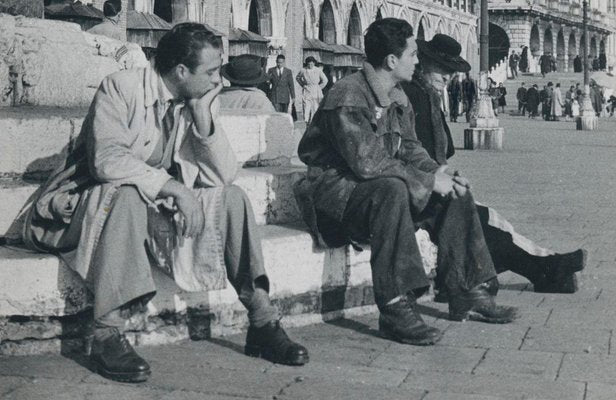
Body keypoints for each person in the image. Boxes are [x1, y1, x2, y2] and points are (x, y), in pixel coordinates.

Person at [22, 23, 309, 384]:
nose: (218, 80)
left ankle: (263, 320)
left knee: (232, 200)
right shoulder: (120, 87)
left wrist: (203, 121)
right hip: (93, 207)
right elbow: (107, 162)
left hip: (152, 207)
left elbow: (223, 177)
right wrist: (174, 188)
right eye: (211, 71)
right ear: (181, 71)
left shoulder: (197, 99)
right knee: (126, 194)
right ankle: (106, 332)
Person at [295, 21, 520, 347]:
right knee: (392, 189)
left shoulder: (396, 96)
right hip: (336, 195)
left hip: (373, 189)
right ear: (391, 61)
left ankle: (466, 290)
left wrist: (440, 173)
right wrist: (429, 182)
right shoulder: (347, 95)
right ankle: (395, 307)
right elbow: (368, 163)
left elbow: (410, 148)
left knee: (456, 190)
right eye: (413, 54)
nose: (417, 61)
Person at [402, 34, 586, 300]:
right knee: (484, 223)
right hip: (419, 191)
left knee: (491, 218)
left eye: (451, 71)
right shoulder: (413, 95)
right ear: (424, 64)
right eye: (443, 70)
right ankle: (546, 268)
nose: (448, 77)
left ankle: (547, 266)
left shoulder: (426, 95)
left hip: (431, 184)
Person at [296, 56, 328, 124]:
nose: (310, 66)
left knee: (315, 106)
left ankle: (314, 122)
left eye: (312, 64)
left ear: (314, 63)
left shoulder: (318, 70)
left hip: (316, 91)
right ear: (306, 64)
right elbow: (298, 78)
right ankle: (306, 121)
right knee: (306, 106)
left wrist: (319, 87)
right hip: (307, 90)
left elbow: (325, 80)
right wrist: (303, 85)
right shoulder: (303, 70)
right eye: (309, 64)